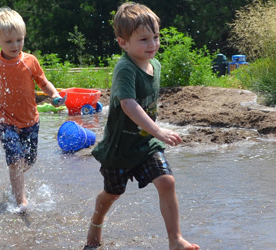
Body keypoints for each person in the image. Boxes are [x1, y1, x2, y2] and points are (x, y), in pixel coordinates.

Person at [85, 2, 200, 250]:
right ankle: (97, 222)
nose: (152, 45)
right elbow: (128, 105)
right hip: (119, 148)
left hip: (145, 143)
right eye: (144, 39)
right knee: (112, 194)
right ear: (123, 42)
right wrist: (159, 130)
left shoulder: (155, 64)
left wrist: (154, 134)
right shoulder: (125, 69)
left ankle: (175, 240)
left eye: (156, 37)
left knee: (167, 182)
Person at [0, 7, 62, 211]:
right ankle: (21, 201)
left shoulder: (30, 61)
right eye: (9, 42)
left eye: (19, 40)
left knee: (29, 160)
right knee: (16, 160)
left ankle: (15, 181)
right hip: (5, 122)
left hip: (31, 121)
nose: (15, 45)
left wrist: (54, 94)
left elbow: (43, 82)